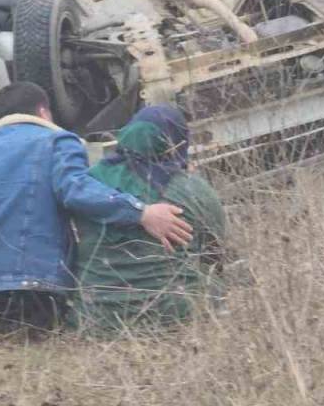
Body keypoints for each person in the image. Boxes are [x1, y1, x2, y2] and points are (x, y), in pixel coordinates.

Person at [0, 83, 195, 339]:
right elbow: (76, 191)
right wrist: (141, 212)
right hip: (26, 293)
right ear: (44, 112)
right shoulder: (57, 141)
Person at [71, 105, 226, 335]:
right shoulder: (192, 189)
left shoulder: (90, 186)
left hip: (98, 321)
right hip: (177, 314)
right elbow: (215, 256)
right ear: (177, 142)